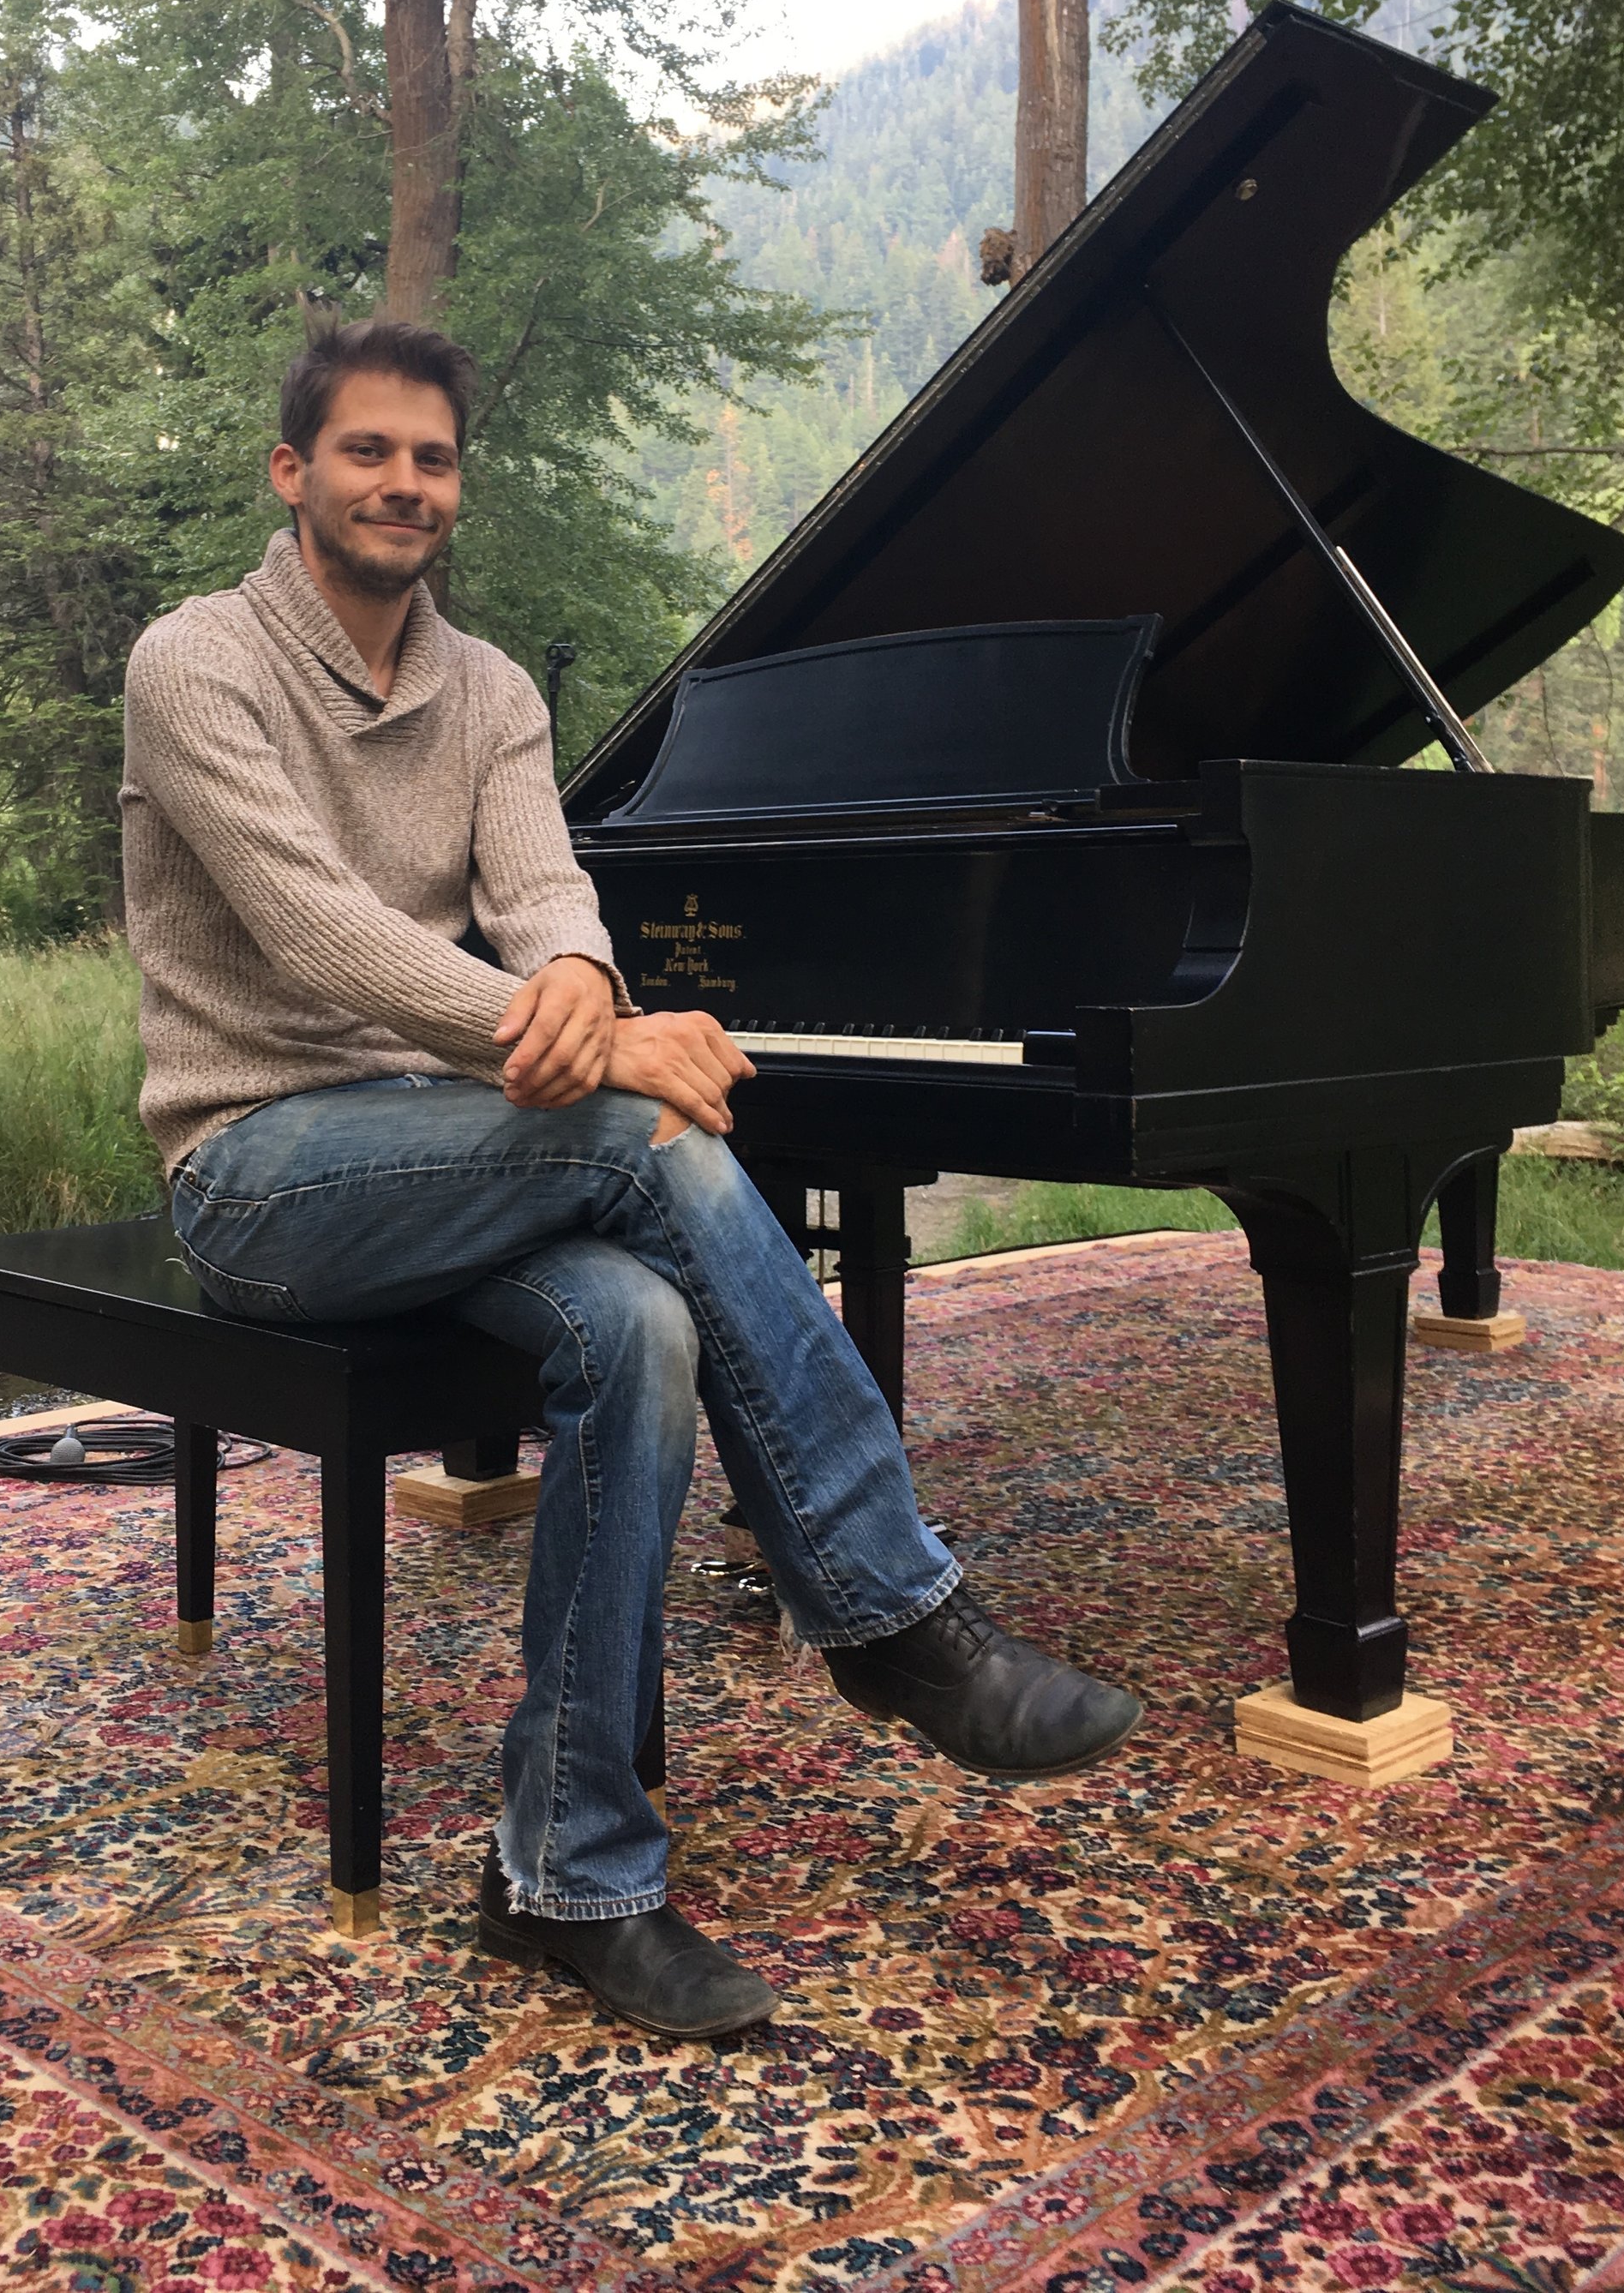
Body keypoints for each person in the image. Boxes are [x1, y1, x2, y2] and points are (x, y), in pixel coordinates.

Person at [119, 316, 1142, 2040]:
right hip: (264, 1168)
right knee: (635, 1124)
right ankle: (893, 1613)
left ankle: (566, 1872)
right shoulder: (195, 658)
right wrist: (585, 1039)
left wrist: (585, 983)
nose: (403, 483)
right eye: (367, 451)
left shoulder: (493, 690)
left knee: (643, 1329)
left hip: (454, 1155)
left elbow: (544, 892)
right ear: (292, 473)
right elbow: (318, 925)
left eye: (431, 457)